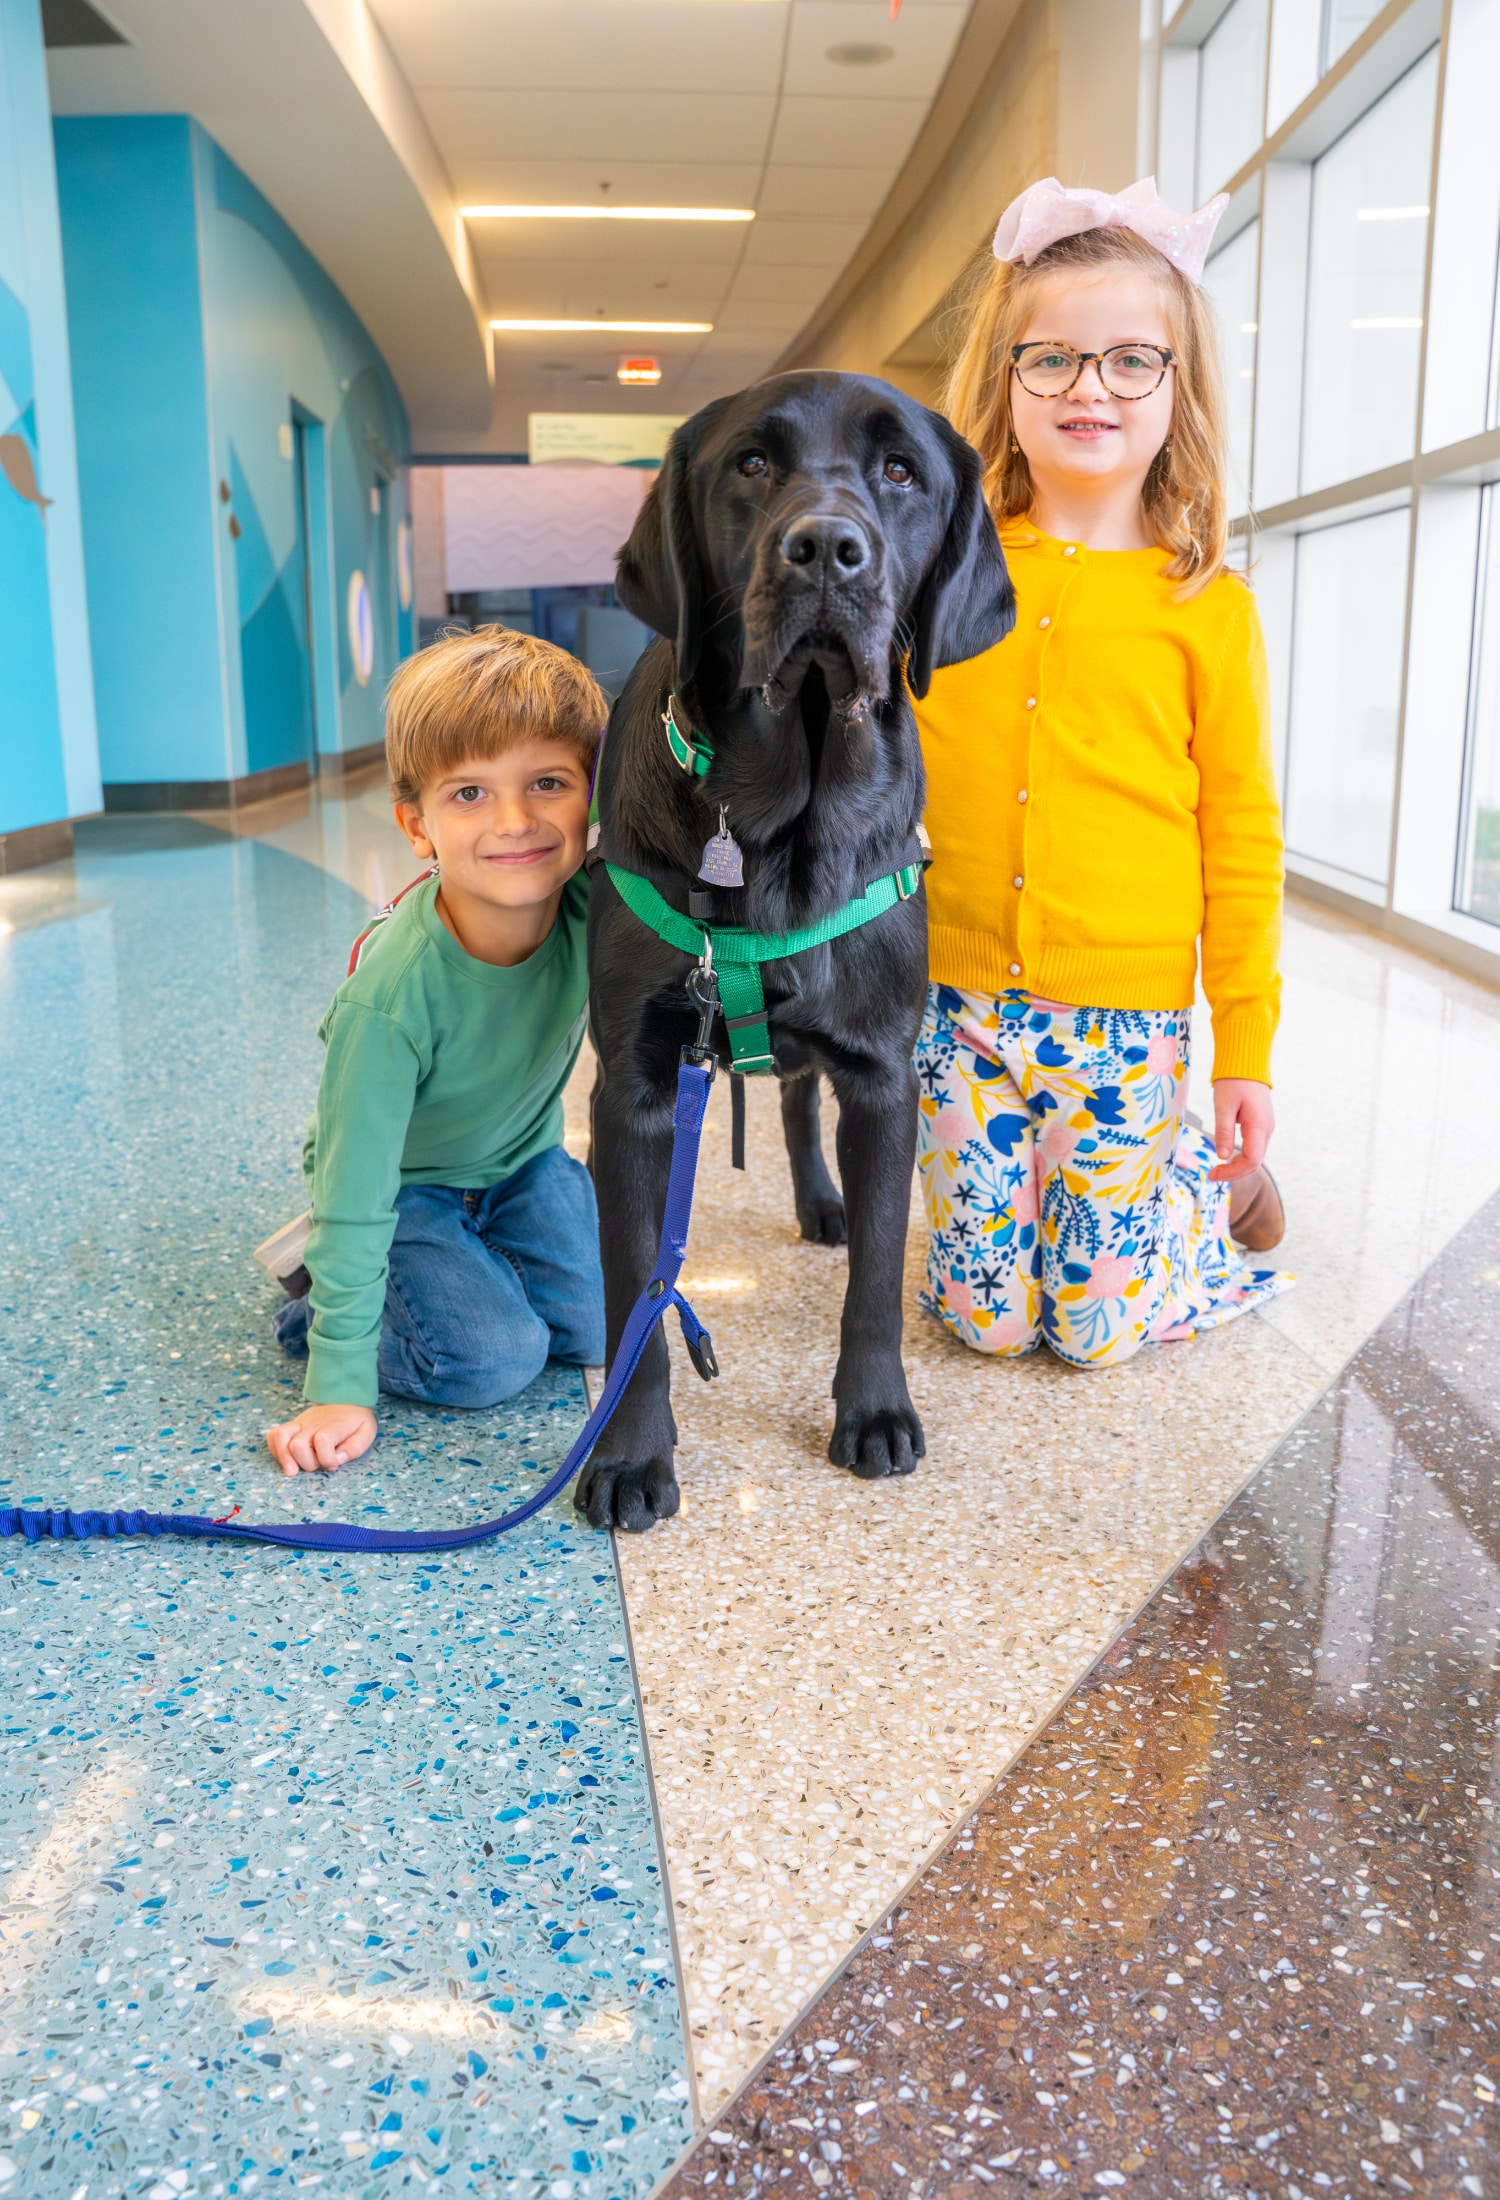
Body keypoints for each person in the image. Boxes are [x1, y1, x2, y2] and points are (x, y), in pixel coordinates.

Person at [913, 175, 1290, 1367]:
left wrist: (1245, 1050)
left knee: (1093, 1336)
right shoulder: (937, 578)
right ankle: (1096, 1207)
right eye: (1055, 359)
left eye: (1133, 360)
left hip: (1126, 1019)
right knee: (983, 1321)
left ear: (1179, 392)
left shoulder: (1208, 610)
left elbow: (1241, 835)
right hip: (953, 1003)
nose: (1091, 387)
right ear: (1003, 381)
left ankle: (1198, 1200)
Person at [264, 627, 606, 1474]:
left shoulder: (597, 910)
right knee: (493, 1360)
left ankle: (466, 1263)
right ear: (415, 826)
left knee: (601, 1322)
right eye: (469, 796)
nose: (516, 821)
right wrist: (339, 1381)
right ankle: (319, 1306)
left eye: (548, 783)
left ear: (594, 801)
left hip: (521, 1165)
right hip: (401, 1188)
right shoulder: (392, 996)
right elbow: (356, 1186)